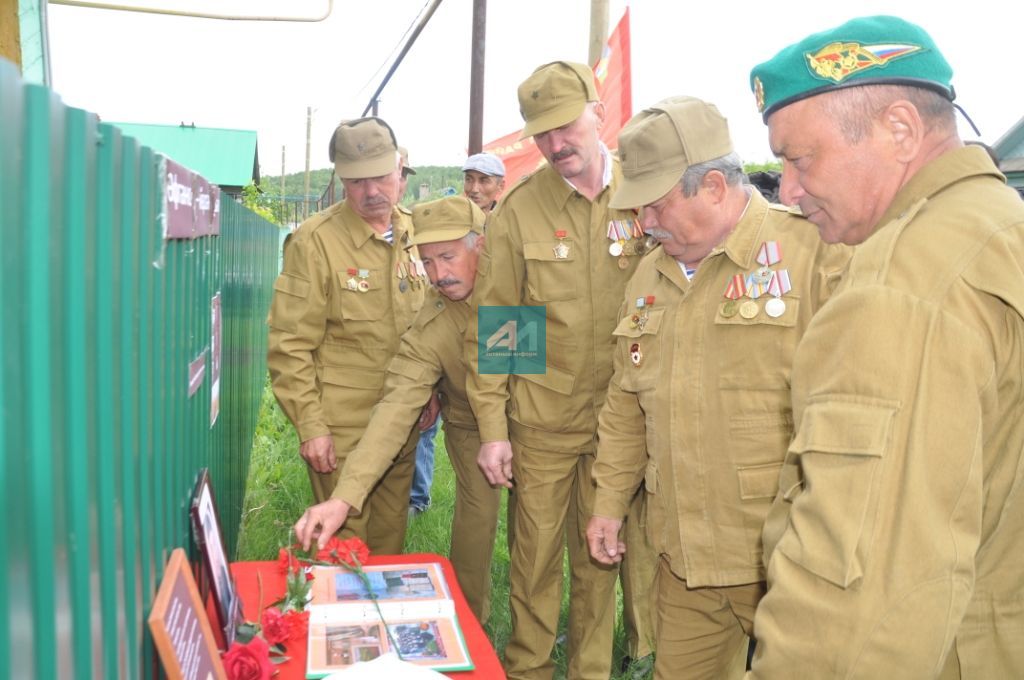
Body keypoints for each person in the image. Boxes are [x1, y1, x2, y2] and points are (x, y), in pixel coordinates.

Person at [746, 15, 1024, 677]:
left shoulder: (901, 287)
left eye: (800, 158)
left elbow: (859, 599)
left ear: (899, 130)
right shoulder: (1000, 227)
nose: (786, 189)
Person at [585, 96, 849, 679]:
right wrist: (607, 504)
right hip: (684, 562)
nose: (645, 224)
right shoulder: (647, 277)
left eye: (654, 206)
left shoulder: (813, 255)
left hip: (785, 559)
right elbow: (626, 406)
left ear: (710, 186)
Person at [466, 60, 654, 679]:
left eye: (565, 126)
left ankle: (592, 670)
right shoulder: (521, 210)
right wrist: (494, 428)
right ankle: (529, 668)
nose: (555, 145)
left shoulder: (646, 193)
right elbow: (502, 326)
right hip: (545, 421)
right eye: (541, 134)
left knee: (601, 555)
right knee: (536, 559)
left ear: (598, 112)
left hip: (624, 422)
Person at [293, 195, 501, 623]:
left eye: (447, 256)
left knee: (540, 533)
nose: (438, 274)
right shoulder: (431, 321)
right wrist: (343, 499)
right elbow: (394, 411)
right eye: (427, 262)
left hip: (538, 418)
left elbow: (527, 385)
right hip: (469, 421)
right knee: (476, 526)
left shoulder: (513, 292)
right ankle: (467, 624)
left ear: (479, 244)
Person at [267, 117, 428, 555]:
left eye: (380, 176)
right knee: (345, 551)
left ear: (400, 169)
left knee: (389, 545)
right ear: (340, 180)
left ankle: (380, 621)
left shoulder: (418, 234)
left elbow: (429, 333)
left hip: (402, 423)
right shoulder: (314, 242)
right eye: (356, 182)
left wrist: (430, 397)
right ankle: (343, 626)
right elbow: (289, 345)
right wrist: (311, 426)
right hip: (341, 430)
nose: (371, 191)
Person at [399, 145, 443, 517]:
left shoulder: (416, 227)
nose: (395, 182)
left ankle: (418, 498)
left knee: (425, 431)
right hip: (380, 365)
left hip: (424, 356)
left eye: (401, 174)